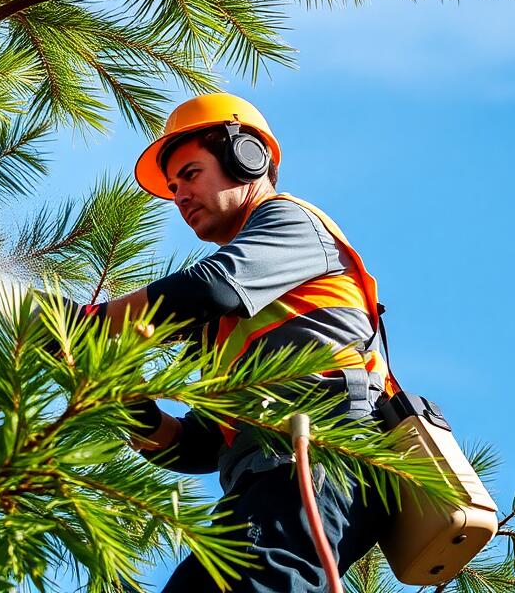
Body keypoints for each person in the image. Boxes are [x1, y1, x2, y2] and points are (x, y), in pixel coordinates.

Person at [68, 93, 397, 592]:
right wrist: (122, 392)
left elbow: (207, 288)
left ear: (247, 157)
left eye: (191, 174)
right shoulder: (226, 328)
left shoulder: (290, 223)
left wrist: (91, 321)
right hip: (260, 483)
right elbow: (192, 447)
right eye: (174, 186)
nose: (179, 196)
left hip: (327, 450)